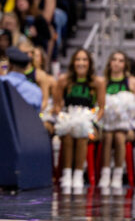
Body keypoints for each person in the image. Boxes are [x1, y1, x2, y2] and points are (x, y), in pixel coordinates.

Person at [53, 49, 105, 191]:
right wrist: (62, 117)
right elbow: (57, 105)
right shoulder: (64, 80)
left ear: (89, 63)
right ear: (73, 62)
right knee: (69, 134)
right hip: (69, 120)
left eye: (84, 60)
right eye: (78, 59)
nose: (81, 63)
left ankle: (78, 174)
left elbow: (101, 108)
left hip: (90, 125)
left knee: (82, 135)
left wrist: (91, 121)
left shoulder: (98, 82)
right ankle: (67, 174)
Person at [99, 51, 135, 189]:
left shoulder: (131, 82)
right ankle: (105, 173)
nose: (117, 63)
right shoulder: (103, 82)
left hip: (127, 125)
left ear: (125, 64)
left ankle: (118, 175)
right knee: (108, 136)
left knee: (119, 137)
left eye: (120, 60)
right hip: (107, 124)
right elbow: (99, 106)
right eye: (114, 59)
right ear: (109, 63)